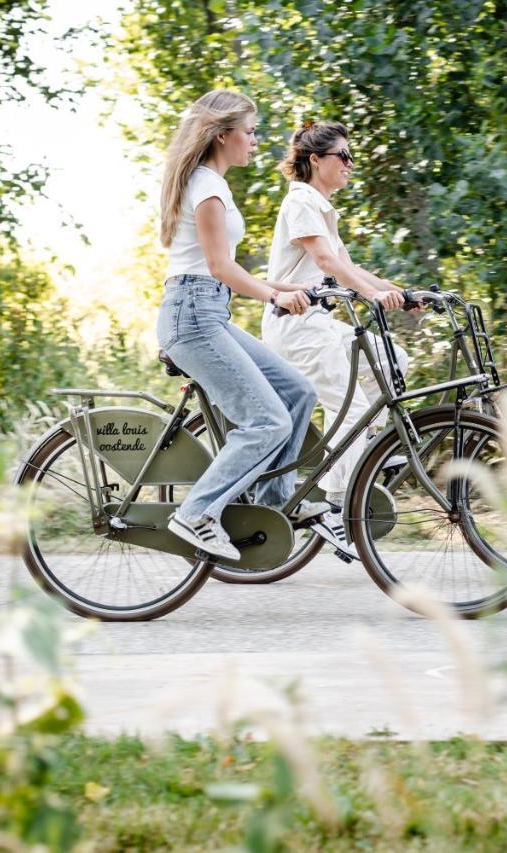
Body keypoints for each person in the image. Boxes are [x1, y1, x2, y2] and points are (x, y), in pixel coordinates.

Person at [156, 90, 329, 561]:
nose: (255, 141)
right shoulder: (207, 188)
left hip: (209, 311)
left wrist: (298, 288)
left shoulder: (212, 183)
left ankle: (274, 504)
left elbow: (227, 272)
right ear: (222, 134)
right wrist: (276, 294)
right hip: (192, 318)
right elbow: (218, 267)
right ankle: (195, 513)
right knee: (265, 420)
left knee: (297, 393)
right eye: (250, 132)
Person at [261, 120, 412, 547]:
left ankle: (358, 463)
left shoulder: (321, 208)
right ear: (315, 160)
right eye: (342, 156)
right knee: (353, 407)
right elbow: (327, 262)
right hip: (296, 327)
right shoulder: (302, 201)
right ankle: (340, 501)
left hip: (320, 323)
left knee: (391, 361)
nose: (350, 163)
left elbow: (348, 265)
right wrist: (371, 295)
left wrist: (399, 292)